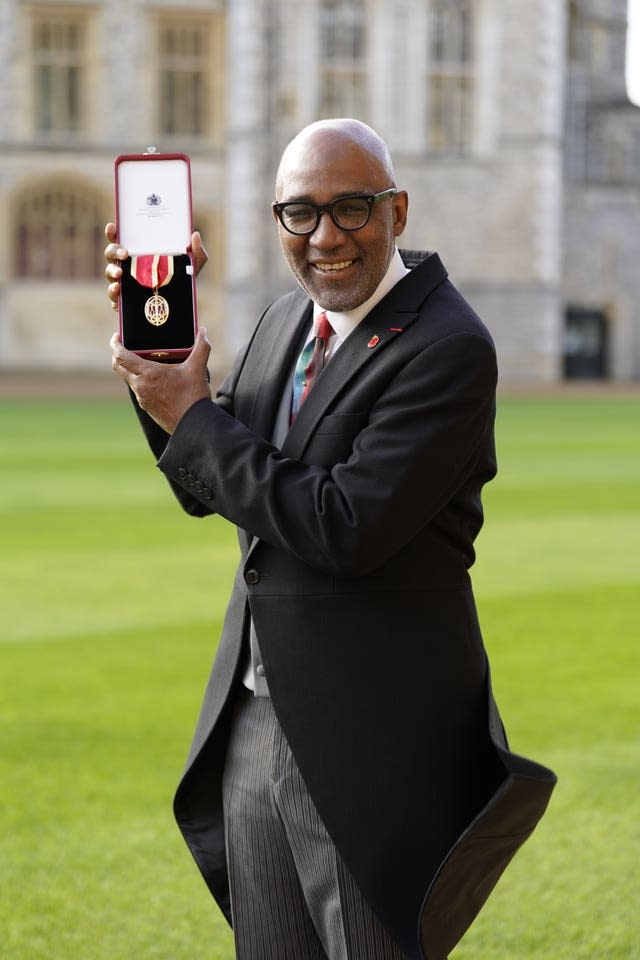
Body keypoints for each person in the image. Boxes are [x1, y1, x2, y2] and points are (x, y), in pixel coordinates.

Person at [105, 118, 555, 960]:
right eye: (300, 214)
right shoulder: (284, 321)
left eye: (353, 208)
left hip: (369, 742)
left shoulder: (447, 347)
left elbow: (342, 527)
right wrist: (160, 373)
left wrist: (194, 416)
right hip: (250, 719)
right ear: (278, 221)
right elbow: (209, 484)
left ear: (399, 211)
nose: (327, 237)